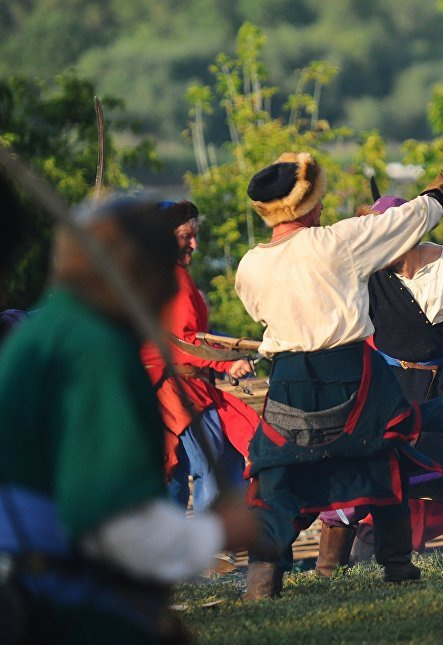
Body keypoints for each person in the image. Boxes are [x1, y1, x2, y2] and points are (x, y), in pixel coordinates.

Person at [0, 197, 256, 642]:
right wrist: (216, 533)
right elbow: (119, 525)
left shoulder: (44, 331)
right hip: (55, 591)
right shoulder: (96, 349)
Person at [234, 152, 443, 598]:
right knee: (386, 450)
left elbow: (258, 310)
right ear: (306, 206)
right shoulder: (337, 242)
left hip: (288, 379)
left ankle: (263, 581)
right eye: (318, 201)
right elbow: (400, 224)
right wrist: (440, 197)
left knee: (276, 473)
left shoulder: (249, 265)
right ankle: (397, 564)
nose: (322, 207)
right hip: (351, 371)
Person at [313, 194, 443, 569]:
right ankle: (328, 573)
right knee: (359, 478)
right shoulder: (364, 272)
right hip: (385, 390)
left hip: (442, 389)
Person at [141, 200, 260, 514]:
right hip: (174, 387)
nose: (194, 243)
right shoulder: (170, 277)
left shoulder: (162, 273)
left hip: (177, 382)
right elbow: (183, 341)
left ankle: (186, 548)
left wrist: (228, 355)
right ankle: (206, 548)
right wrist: (227, 362)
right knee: (213, 462)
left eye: (195, 235)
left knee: (182, 469)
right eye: (186, 236)